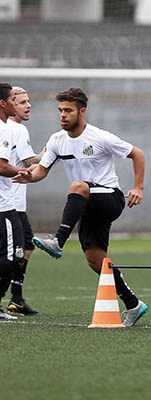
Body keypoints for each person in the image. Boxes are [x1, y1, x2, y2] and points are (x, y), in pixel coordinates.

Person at [12, 88, 148, 327]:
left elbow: (138, 154)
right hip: (86, 204)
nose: (62, 115)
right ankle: (133, 304)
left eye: (68, 110)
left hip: (109, 199)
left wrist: (138, 187)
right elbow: (41, 170)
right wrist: (28, 177)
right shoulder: (56, 140)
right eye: (60, 111)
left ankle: (58, 241)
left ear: (82, 111)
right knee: (96, 261)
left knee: (77, 186)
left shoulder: (100, 137)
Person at [6, 87, 42, 315]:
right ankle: (14, 296)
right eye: (21, 102)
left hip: (14, 201)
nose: (28, 106)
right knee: (14, 252)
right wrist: (54, 149)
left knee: (27, 244)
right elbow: (30, 162)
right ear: (9, 105)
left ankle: (17, 297)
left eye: (29, 101)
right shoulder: (17, 129)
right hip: (11, 202)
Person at [0, 83, 27, 320]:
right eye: (13, 99)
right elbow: (1, 166)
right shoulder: (4, 129)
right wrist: (23, 172)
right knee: (14, 257)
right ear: (3, 103)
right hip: (4, 206)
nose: (16, 103)